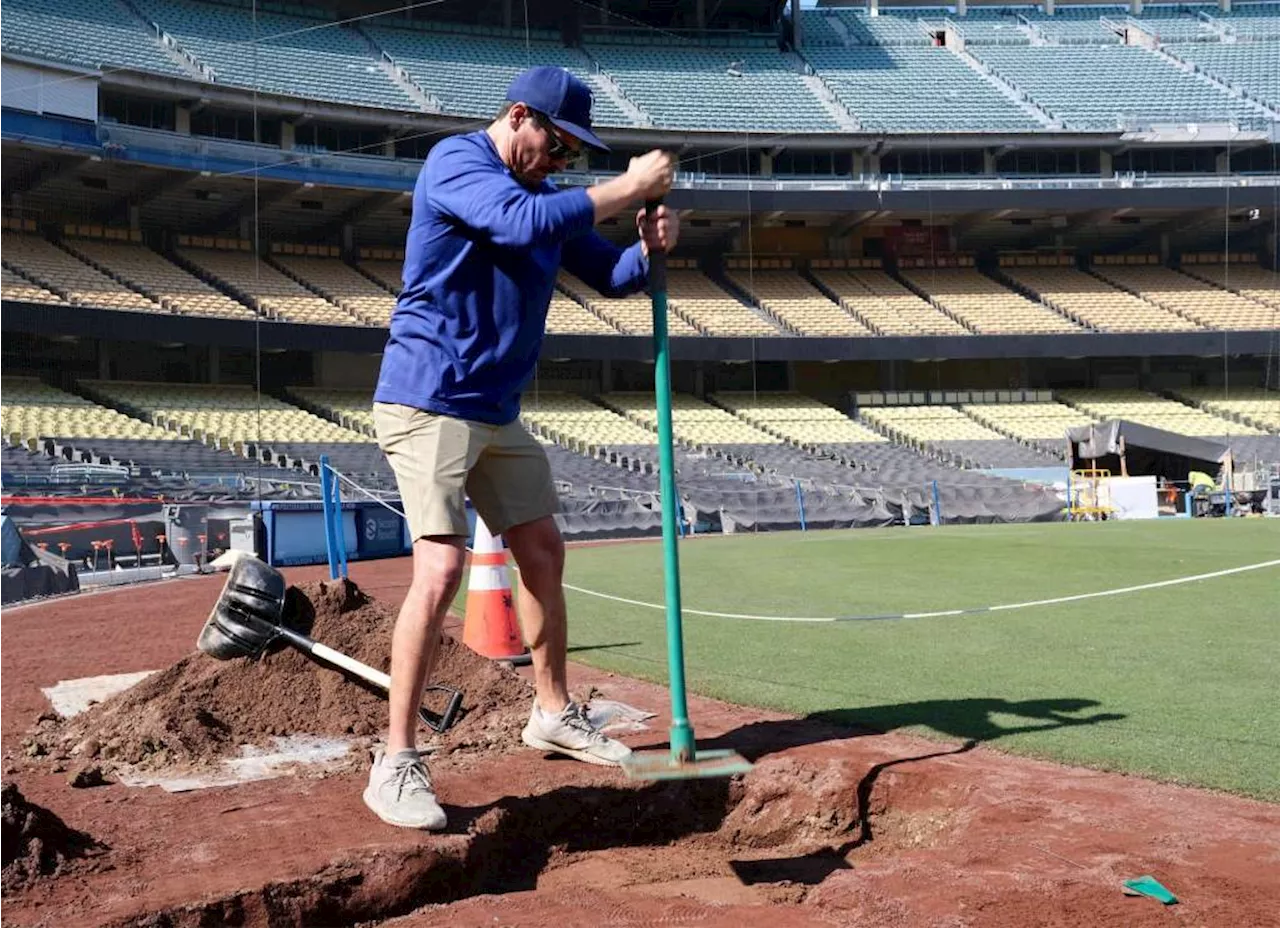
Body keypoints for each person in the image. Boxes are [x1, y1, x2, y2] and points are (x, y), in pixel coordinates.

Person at [364, 66, 679, 830]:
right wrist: (629, 188)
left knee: (542, 551)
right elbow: (519, 226)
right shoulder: (457, 164)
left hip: (496, 411)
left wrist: (650, 245)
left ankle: (551, 710)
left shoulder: (544, 196)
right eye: (558, 145)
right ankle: (396, 760)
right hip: (426, 397)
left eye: (575, 155)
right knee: (439, 568)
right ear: (518, 118)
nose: (562, 162)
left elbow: (610, 276)